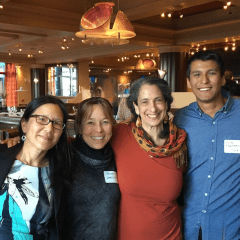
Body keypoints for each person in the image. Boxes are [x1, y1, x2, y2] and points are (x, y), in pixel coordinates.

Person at [173, 50, 240, 240]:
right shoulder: (180, 119)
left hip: (231, 228)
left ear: (222, 78)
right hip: (191, 226)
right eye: (197, 74)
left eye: (211, 73)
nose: (204, 81)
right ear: (188, 82)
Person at [111, 77, 187, 239]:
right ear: (136, 107)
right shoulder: (119, 135)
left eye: (158, 100)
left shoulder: (181, 143)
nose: (152, 108)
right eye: (144, 102)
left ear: (166, 104)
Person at [0, 95, 73, 239]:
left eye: (57, 123)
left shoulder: (61, 171)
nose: (49, 128)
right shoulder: (3, 157)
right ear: (24, 125)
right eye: (41, 119)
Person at [63, 97, 120, 240]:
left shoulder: (117, 156)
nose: (99, 129)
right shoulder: (65, 158)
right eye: (90, 122)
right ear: (79, 126)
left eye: (105, 122)